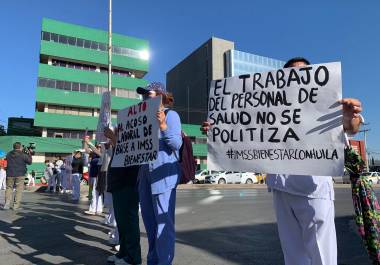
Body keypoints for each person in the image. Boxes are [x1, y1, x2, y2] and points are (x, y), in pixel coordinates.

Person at [201, 57, 363, 265]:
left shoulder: (324, 105)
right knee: (293, 254)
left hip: (313, 190)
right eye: (291, 74)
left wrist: (350, 120)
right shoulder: (271, 108)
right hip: (280, 188)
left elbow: (351, 127)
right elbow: (246, 131)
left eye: (303, 73)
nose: (297, 77)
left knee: (321, 254)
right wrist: (219, 129)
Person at [137, 82, 182, 265]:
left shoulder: (171, 115)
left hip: (163, 175)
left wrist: (163, 125)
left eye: (150, 94)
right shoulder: (143, 119)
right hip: (145, 175)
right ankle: (152, 261)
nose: (146, 97)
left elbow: (176, 145)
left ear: (161, 96)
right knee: (150, 224)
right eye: (144, 95)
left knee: (163, 225)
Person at [105, 126, 141, 265]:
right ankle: (124, 252)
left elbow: (127, 153)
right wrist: (113, 141)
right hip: (117, 184)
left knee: (129, 221)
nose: (115, 133)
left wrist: (114, 139)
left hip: (128, 184)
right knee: (121, 222)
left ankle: (133, 258)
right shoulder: (117, 144)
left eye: (118, 132)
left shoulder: (133, 144)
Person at [3, 142, 32, 210]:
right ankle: (15, 206)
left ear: (14, 147)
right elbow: (30, 162)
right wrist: (29, 154)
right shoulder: (23, 154)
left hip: (10, 173)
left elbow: (5, 160)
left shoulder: (9, 154)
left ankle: (7, 204)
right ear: (20, 147)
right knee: (18, 190)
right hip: (20, 174)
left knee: (9, 188)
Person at [83, 140, 103, 215]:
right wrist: (85, 143)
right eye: (98, 147)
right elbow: (86, 150)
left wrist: (89, 143)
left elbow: (94, 150)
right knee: (97, 193)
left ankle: (93, 209)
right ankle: (98, 209)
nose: (98, 148)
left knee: (95, 193)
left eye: (99, 147)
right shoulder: (94, 155)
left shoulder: (102, 154)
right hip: (93, 176)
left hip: (98, 176)